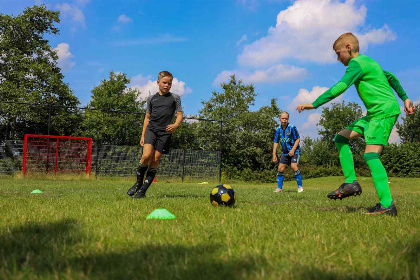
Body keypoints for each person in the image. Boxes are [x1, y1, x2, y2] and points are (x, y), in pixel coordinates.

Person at [296, 32, 415, 216]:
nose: (338, 58)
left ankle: (387, 205)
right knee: (340, 138)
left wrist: (314, 103)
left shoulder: (356, 64)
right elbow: (390, 77)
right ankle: (351, 182)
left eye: (338, 53)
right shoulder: (369, 61)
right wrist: (405, 98)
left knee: (371, 156)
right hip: (373, 115)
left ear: (348, 48)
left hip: (383, 112)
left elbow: (341, 86)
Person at [127, 71, 183, 199]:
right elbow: (147, 118)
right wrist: (142, 135)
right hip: (151, 130)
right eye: (164, 83)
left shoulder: (175, 97)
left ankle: (142, 191)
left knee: (155, 160)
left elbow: (180, 115)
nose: (167, 85)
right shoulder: (151, 98)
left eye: (169, 83)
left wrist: (175, 125)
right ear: (158, 83)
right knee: (146, 156)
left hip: (165, 133)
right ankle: (138, 183)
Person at [272, 112, 303, 193]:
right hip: (285, 153)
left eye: (286, 118)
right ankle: (279, 188)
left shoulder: (292, 128)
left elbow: (298, 139)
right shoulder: (278, 129)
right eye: (283, 118)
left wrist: (293, 150)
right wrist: (274, 154)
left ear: (288, 119)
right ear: (279, 119)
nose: (284, 120)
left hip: (295, 151)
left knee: (293, 166)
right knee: (280, 168)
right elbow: (276, 142)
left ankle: (300, 187)